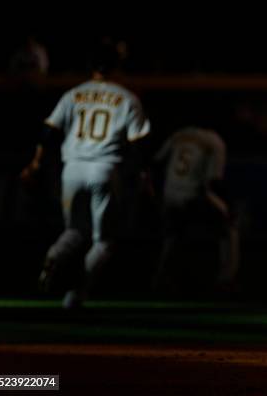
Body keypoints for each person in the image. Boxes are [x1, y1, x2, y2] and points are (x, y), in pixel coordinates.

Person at [20, 42, 151, 309]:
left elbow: (48, 132)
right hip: (104, 168)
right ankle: (76, 295)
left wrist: (35, 164)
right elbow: (138, 144)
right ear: (117, 66)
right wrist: (141, 175)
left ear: (90, 66)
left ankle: (54, 255)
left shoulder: (73, 94)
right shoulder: (127, 97)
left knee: (75, 230)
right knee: (103, 241)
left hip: (72, 169)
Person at [152, 125, 239, 294]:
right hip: (194, 195)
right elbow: (213, 182)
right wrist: (228, 205)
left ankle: (160, 277)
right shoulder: (214, 141)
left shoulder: (179, 133)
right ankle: (226, 279)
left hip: (170, 194)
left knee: (172, 236)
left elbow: (156, 162)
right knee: (230, 226)